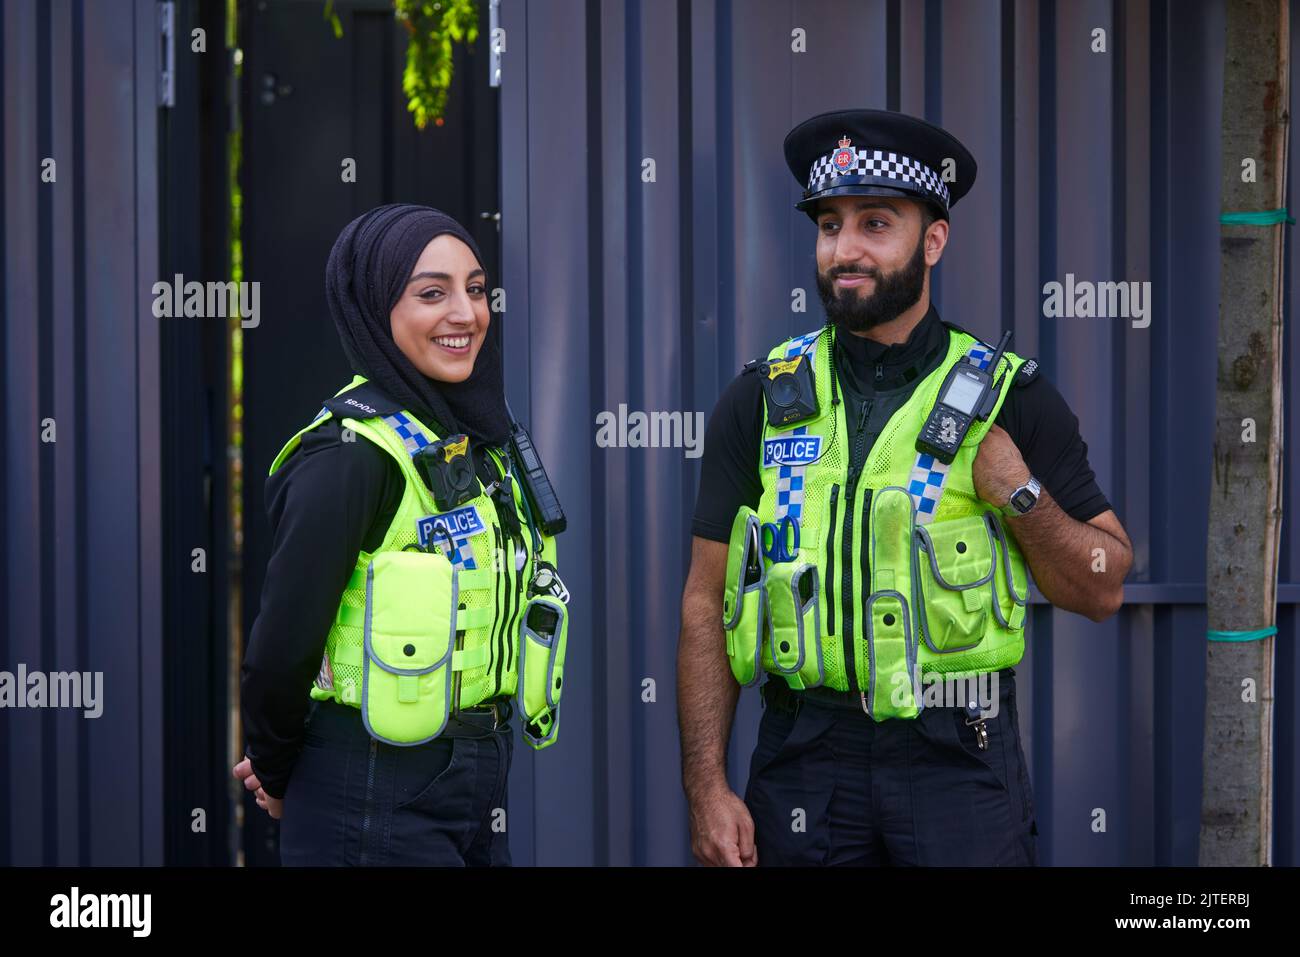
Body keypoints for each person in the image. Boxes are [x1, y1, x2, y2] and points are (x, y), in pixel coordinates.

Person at [677, 109, 1133, 866]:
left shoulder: (1006, 396)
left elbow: (1104, 583)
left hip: (957, 757)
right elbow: (704, 601)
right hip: (802, 756)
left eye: (875, 223)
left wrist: (1019, 492)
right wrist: (706, 786)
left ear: (933, 240)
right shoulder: (760, 398)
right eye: (829, 224)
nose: (844, 249)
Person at [233, 204, 571, 866]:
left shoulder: (478, 442)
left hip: (470, 777)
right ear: (375, 309)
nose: (465, 314)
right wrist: (275, 770)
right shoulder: (350, 455)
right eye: (431, 293)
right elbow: (280, 649)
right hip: (368, 785)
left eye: (475, 289)